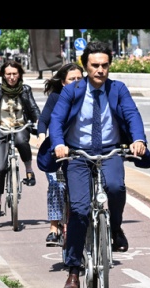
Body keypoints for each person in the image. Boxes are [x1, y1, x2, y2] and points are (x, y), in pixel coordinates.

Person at [49, 41, 149, 288]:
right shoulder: (72, 91)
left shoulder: (118, 89)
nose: (100, 70)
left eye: (105, 65)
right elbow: (57, 120)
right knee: (80, 210)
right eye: (95, 65)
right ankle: (73, 270)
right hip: (78, 154)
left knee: (115, 187)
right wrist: (59, 144)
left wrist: (138, 140)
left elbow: (131, 114)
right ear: (85, 66)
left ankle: (115, 228)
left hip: (109, 150)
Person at [0, 60, 40, 217]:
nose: (12, 77)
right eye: (8, 74)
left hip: (20, 127)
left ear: (19, 75)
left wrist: (38, 121)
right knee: (0, 168)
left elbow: (32, 107)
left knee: (20, 141)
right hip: (1, 128)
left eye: (14, 74)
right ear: (3, 76)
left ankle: (29, 170)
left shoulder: (25, 89)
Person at [36, 63, 84, 246]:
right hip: (58, 150)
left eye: (80, 79)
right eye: (72, 79)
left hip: (81, 151)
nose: (77, 82)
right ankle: (54, 227)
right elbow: (45, 120)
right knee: (56, 184)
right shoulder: (56, 98)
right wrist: (42, 136)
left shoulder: (89, 97)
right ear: (63, 83)